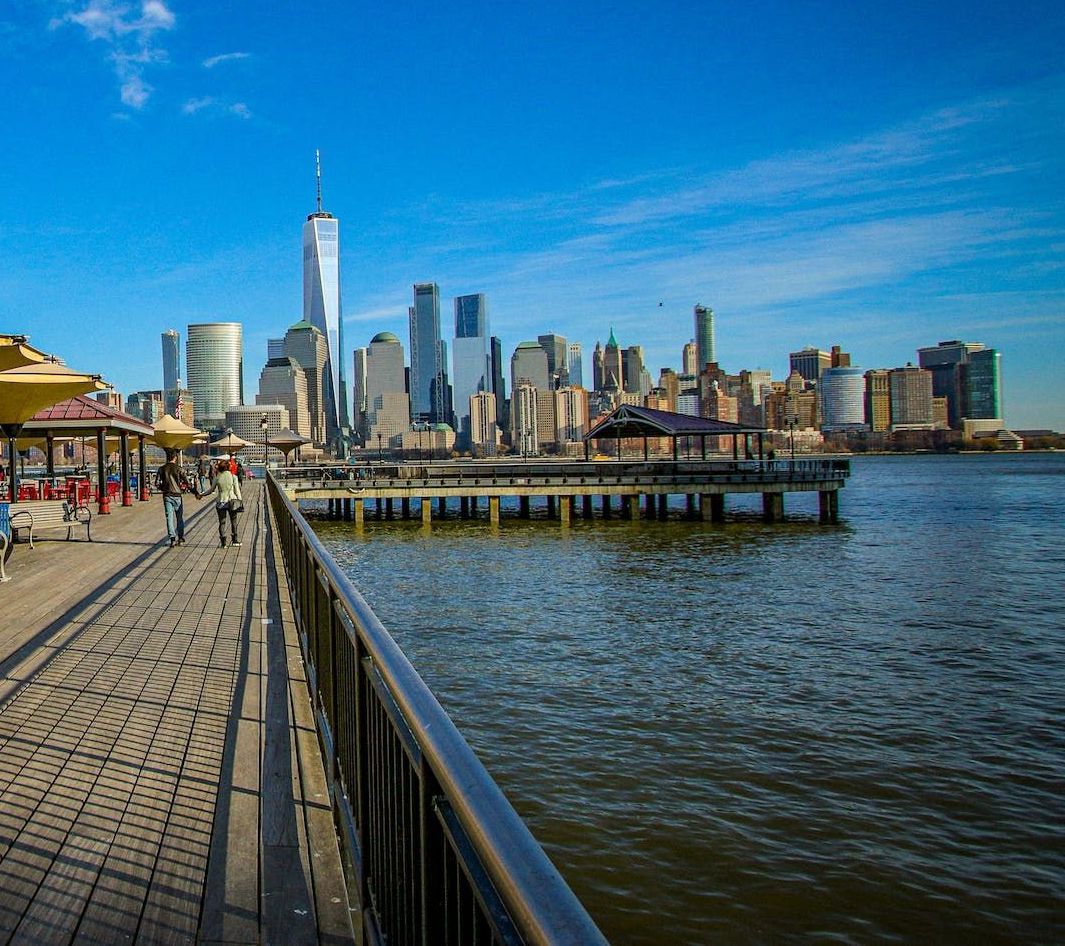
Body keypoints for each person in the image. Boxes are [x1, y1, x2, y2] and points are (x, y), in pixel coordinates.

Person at [155, 449, 196, 547]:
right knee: (179, 518)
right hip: (177, 496)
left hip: (167, 495)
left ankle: (172, 538)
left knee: (169, 518)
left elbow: (156, 483)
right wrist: (195, 493)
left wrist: (163, 488)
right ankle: (180, 537)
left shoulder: (161, 469)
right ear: (175, 458)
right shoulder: (179, 469)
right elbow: (187, 483)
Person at [202, 459, 244, 548]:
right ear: (228, 467)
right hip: (232, 501)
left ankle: (223, 543)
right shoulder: (233, 477)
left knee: (222, 522)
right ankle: (235, 541)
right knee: (234, 521)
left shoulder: (217, 477)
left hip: (220, 502)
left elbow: (211, 490)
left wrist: (202, 495)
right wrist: (240, 501)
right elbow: (237, 491)